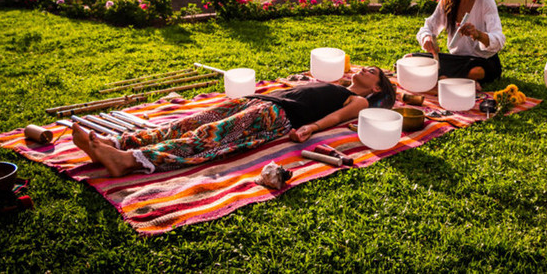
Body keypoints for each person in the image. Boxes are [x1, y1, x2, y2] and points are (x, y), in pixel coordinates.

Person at [72, 66, 395, 177]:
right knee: (188, 122)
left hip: (277, 116)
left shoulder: (359, 101)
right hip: (261, 101)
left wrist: (311, 128)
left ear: (377, 87)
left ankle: (130, 160)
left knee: (208, 135)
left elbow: (335, 117)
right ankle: (117, 142)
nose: (363, 69)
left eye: (371, 72)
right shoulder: (336, 83)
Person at [414, 0, 505, 82]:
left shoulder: (485, 0)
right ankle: (450, 78)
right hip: (457, 60)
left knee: (476, 72)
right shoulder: (447, 1)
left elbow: (499, 39)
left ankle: (445, 77)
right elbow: (428, 26)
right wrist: (426, 37)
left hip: (483, 60)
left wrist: (478, 34)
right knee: (410, 58)